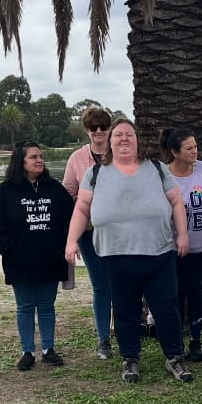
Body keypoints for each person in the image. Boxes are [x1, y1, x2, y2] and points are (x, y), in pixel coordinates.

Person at [65, 119, 193, 384]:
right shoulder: (96, 173)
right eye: (118, 135)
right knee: (124, 310)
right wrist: (71, 241)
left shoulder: (157, 168)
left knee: (166, 309)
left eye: (129, 135)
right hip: (115, 255)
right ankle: (130, 359)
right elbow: (82, 208)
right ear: (110, 142)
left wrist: (182, 234)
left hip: (159, 253)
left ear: (137, 140)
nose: (124, 139)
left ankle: (174, 358)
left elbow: (176, 202)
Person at [0, 141, 74, 371]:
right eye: (33, 157)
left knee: (47, 305)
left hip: (50, 259)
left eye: (40, 156)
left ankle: (48, 348)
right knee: (25, 306)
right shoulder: (6, 191)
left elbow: (70, 218)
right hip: (20, 262)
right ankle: (27, 350)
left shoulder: (54, 188)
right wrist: (12, 248)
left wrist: (63, 244)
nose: (39, 160)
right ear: (21, 162)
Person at [161, 127, 202, 362]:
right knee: (174, 294)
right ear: (175, 152)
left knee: (195, 292)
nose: (195, 151)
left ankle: (195, 342)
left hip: (199, 247)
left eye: (196, 146)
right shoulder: (164, 175)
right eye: (189, 148)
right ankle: (175, 343)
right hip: (171, 248)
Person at [63, 106, 114, 359]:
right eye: (93, 127)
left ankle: (128, 330)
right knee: (100, 285)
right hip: (89, 232)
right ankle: (103, 339)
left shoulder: (120, 155)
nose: (98, 132)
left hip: (119, 231)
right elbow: (69, 195)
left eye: (103, 127)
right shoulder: (77, 159)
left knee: (123, 283)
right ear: (87, 130)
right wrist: (72, 235)